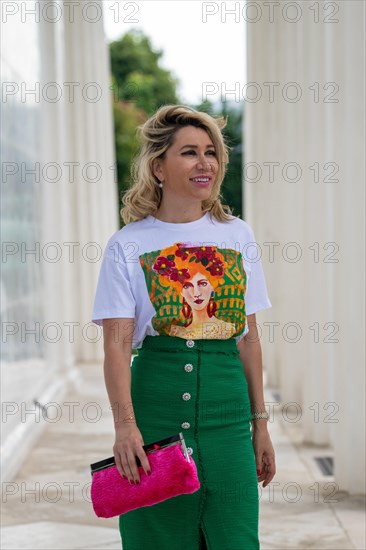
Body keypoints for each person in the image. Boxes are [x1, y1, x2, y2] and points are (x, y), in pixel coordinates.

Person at [92, 104, 276, 550]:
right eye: (189, 152)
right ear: (159, 167)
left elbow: (248, 339)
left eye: (210, 152)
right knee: (156, 536)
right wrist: (125, 428)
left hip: (228, 416)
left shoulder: (237, 235)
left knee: (235, 536)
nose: (205, 163)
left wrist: (260, 424)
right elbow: (116, 346)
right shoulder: (127, 244)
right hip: (154, 411)